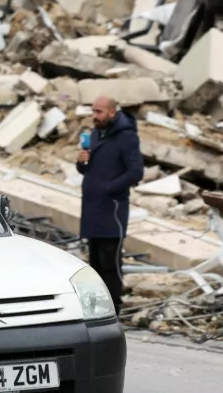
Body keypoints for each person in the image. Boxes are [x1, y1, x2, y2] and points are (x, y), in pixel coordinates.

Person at [76, 95, 144, 314]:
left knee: (110, 261)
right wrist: (81, 162)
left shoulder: (127, 137)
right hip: (92, 208)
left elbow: (136, 172)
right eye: (93, 111)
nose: (94, 116)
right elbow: (89, 169)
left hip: (112, 209)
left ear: (112, 112)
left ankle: (114, 306)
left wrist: (109, 188)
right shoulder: (96, 134)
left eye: (99, 112)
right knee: (94, 260)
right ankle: (97, 308)